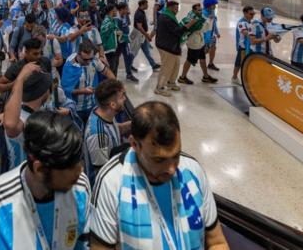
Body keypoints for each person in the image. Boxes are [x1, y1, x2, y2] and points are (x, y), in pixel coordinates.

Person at [90, 101, 230, 250]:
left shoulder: (193, 169)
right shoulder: (111, 181)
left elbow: (217, 242)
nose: (171, 169)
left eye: (176, 155)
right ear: (135, 144)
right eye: (159, 160)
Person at [0, 110, 90, 249]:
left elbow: (83, 241)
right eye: (69, 167)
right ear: (40, 169)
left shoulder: (80, 187)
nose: (80, 170)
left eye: (79, 161)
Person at [3, 64, 52, 167]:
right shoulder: (22, 119)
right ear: (44, 91)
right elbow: (11, 125)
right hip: (22, 176)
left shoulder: (24, 108)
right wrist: (20, 78)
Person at [83, 78, 130, 185]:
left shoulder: (103, 111)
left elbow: (114, 129)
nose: (125, 99)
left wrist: (134, 123)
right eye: (122, 97)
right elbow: (102, 171)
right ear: (112, 104)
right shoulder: (98, 135)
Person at [61, 40, 115, 124]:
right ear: (78, 54)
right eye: (85, 60)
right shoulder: (70, 66)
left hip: (92, 105)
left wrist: (115, 84)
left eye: (91, 58)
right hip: (76, 109)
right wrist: (83, 91)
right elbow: (66, 90)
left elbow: (106, 72)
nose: (89, 62)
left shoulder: (93, 60)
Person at [154, 1, 197, 97]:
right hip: (167, 47)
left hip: (172, 46)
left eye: (177, 8)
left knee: (176, 64)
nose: (177, 10)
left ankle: (171, 82)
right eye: (175, 8)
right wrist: (190, 24)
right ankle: (159, 87)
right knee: (166, 68)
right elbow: (178, 31)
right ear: (169, 8)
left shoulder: (168, 15)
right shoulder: (167, 18)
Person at [177, 3, 218, 85]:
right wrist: (210, 20)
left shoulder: (197, 16)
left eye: (201, 9)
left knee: (202, 58)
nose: (201, 11)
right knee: (189, 60)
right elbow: (204, 29)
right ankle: (182, 77)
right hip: (194, 42)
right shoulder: (193, 19)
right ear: (194, 10)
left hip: (199, 41)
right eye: (199, 10)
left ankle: (206, 77)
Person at [133, 0, 160, 72]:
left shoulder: (141, 12)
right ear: (142, 4)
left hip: (142, 36)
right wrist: (147, 35)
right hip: (139, 36)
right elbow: (139, 27)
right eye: (146, 4)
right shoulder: (139, 14)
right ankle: (129, 65)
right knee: (134, 52)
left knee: (146, 51)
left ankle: (153, 65)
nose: (147, 6)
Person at [231, 6, 256, 85]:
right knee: (240, 62)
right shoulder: (241, 22)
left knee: (244, 62)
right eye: (251, 14)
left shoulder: (251, 22)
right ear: (245, 13)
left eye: (253, 14)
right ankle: (235, 77)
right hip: (243, 47)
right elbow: (245, 33)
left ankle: (240, 77)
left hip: (250, 46)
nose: (252, 15)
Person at [115, 3, 138, 83]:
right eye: (125, 9)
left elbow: (127, 25)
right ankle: (113, 76)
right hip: (118, 43)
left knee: (128, 56)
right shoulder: (117, 19)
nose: (127, 10)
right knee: (115, 59)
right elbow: (118, 33)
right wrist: (126, 38)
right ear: (120, 10)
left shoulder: (124, 16)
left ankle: (129, 74)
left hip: (124, 42)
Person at [202, 0, 221, 71]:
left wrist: (217, 32)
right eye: (214, 5)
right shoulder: (203, 13)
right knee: (205, 50)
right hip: (205, 35)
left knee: (213, 48)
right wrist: (209, 18)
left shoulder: (212, 12)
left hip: (211, 35)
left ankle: (210, 63)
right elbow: (203, 25)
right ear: (209, 5)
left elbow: (214, 23)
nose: (215, 6)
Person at [101, 5, 120, 75]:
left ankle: (113, 84)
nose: (116, 12)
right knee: (110, 70)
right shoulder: (106, 22)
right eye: (115, 10)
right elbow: (103, 33)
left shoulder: (112, 20)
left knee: (114, 68)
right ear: (112, 11)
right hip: (108, 50)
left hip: (113, 48)